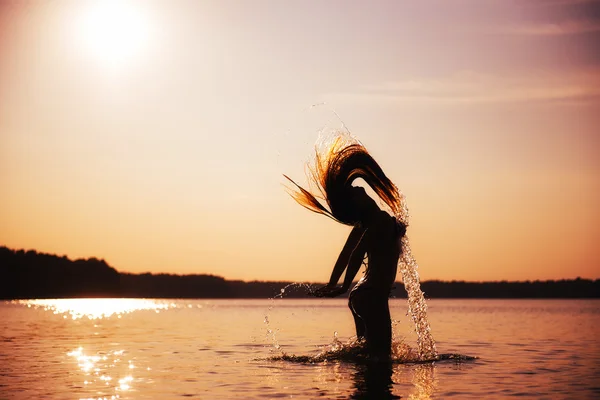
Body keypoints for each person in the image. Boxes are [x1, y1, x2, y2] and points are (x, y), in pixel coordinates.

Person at [284, 135, 406, 361]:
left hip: (363, 296)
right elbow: (357, 253)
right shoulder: (377, 221)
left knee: (368, 358)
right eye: (354, 192)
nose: (359, 189)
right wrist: (344, 285)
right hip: (372, 296)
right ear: (355, 204)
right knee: (381, 359)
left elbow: (345, 253)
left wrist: (334, 283)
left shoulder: (368, 224)